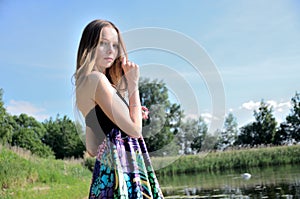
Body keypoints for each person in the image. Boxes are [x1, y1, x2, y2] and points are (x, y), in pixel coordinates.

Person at [75, 19, 164, 199]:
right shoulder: (98, 80)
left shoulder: (83, 84)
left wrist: (131, 111)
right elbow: (135, 129)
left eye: (115, 45)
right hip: (124, 169)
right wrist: (133, 83)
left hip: (107, 173)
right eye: (103, 43)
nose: (111, 51)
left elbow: (92, 148)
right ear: (89, 46)